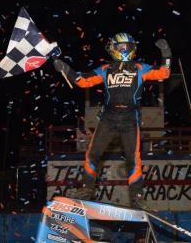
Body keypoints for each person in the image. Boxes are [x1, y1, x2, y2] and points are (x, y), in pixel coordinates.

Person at [53, 32, 172, 209]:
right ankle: (86, 190)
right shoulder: (106, 68)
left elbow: (165, 73)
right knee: (94, 154)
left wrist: (166, 53)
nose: (121, 49)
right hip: (108, 118)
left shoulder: (139, 68)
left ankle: (137, 197)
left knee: (133, 158)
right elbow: (82, 81)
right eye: (119, 47)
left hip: (130, 119)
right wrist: (65, 68)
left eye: (123, 47)